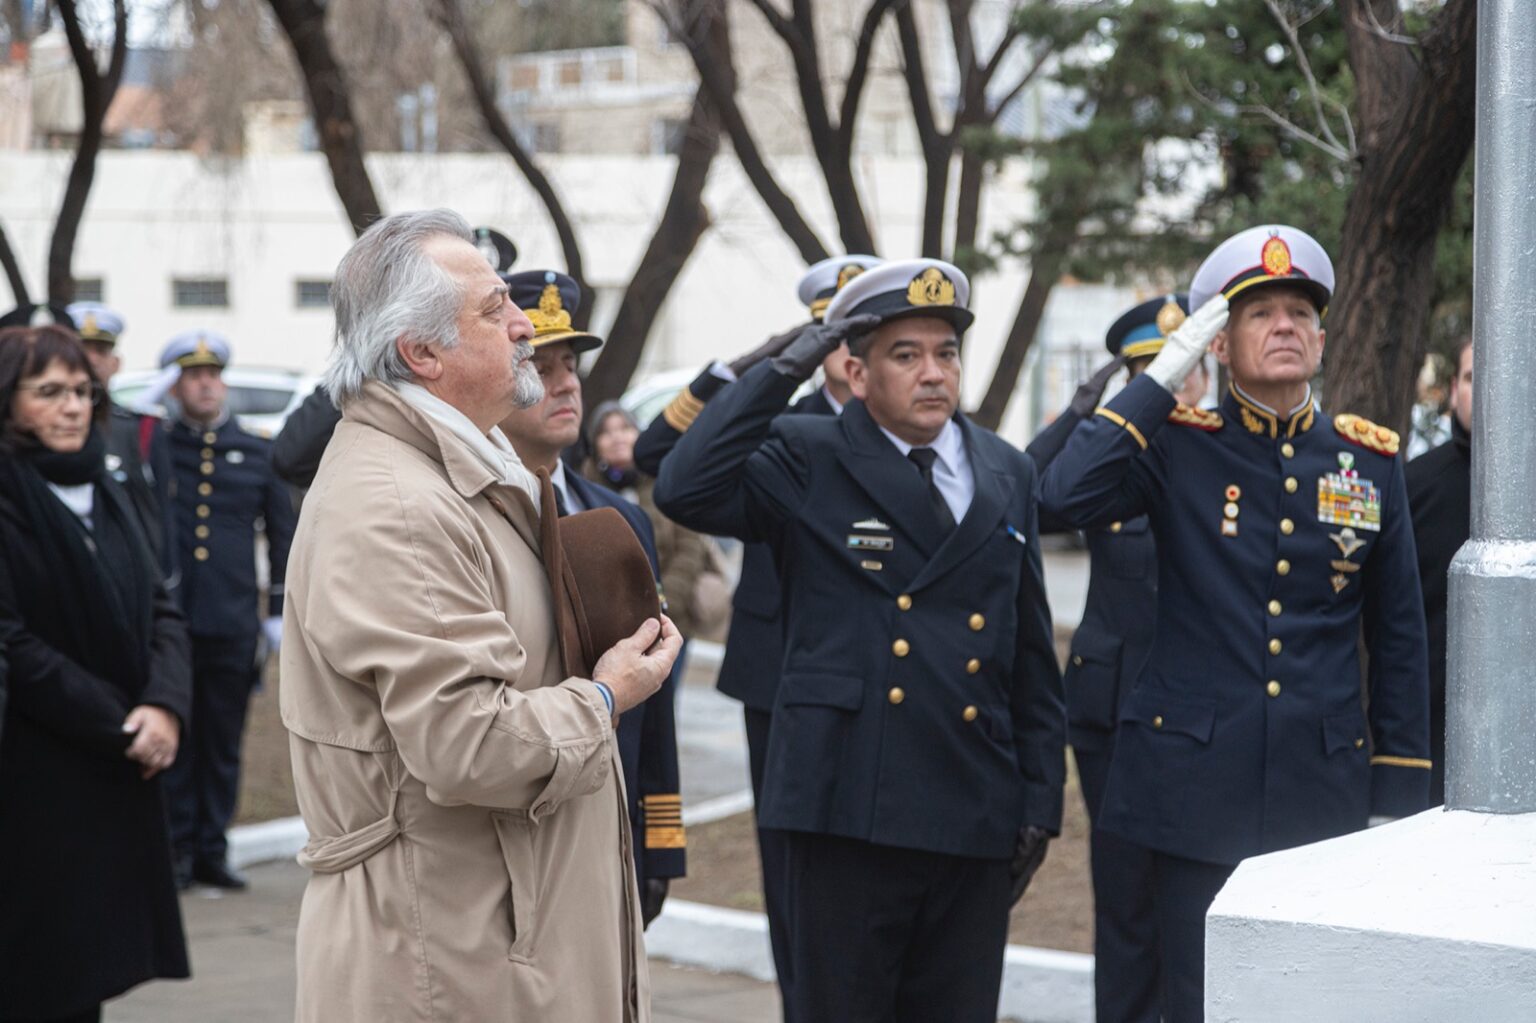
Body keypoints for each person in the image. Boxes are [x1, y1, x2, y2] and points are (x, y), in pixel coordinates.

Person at [279, 210, 681, 1021]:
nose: (524, 324)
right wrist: (607, 695)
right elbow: (470, 744)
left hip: (493, 939)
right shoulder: (399, 506)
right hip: (450, 959)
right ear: (421, 354)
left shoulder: (459, 470)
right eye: (496, 309)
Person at [654, 259, 1065, 1022]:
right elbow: (686, 484)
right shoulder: (809, 452)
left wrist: (1040, 799)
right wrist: (787, 363)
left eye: (945, 352)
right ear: (857, 370)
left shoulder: (1004, 468)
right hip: (846, 804)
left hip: (972, 803)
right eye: (906, 355)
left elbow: (1029, 653)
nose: (933, 373)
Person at [1040, 225, 1431, 1022]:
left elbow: (1399, 641)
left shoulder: (1368, 462)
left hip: (1321, 796)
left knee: (1305, 1004)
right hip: (1192, 793)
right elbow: (1061, 495)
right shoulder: (1176, 449)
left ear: (1322, 338)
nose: (1285, 326)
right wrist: (1163, 374)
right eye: (1260, 314)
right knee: (1196, 1000)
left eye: (1300, 313)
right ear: (1219, 343)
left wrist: (1396, 802)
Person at [632, 253, 879, 1007]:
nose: (845, 348)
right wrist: (747, 368)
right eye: (830, 332)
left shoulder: (905, 427)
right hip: (778, 667)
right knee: (793, 864)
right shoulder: (775, 418)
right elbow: (657, 454)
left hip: (876, 670)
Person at [0, 324, 192, 1021]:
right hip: (37, 772)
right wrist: (121, 724)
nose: (73, 407)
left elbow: (160, 605)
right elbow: (12, 640)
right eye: (49, 391)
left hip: (114, 768)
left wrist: (165, 704)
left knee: (87, 974)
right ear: (9, 402)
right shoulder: (10, 493)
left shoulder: (105, 483)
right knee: (37, 975)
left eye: (82, 391)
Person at [1026, 295, 1203, 1023]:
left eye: (1186, 369)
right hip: (1114, 714)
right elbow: (1026, 495)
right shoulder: (1111, 465)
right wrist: (1079, 416)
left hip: (1200, 716)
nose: (1175, 386)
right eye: (1155, 373)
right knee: (1126, 902)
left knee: (1196, 901)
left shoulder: (1223, 455)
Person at [497, 269, 686, 928]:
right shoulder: (472, 517)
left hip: (614, 818)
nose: (567, 383)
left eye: (570, 366)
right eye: (539, 365)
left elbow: (654, 692)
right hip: (523, 824)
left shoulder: (618, 517)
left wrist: (660, 840)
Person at [157, 331, 296, 890]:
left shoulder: (257, 451)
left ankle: (213, 850)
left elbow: (283, 535)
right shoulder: (160, 447)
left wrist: (276, 612)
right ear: (175, 386)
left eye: (212, 375)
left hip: (233, 620)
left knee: (221, 741)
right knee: (176, 738)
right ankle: (176, 851)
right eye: (193, 376)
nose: (206, 385)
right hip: (172, 622)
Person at [589, 401, 730, 645]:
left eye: (624, 428)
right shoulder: (586, 491)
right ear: (595, 445)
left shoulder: (666, 480)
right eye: (606, 432)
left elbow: (689, 550)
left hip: (672, 620)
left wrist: (663, 606)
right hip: (611, 625)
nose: (617, 438)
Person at [1407, 336, 1473, 806]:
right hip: (1432, 750)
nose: (1490, 389)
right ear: (1453, 390)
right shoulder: (1415, 486)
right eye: (1472, 377)